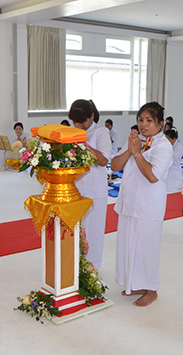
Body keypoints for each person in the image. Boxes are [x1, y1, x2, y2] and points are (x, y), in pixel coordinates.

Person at [111, 102, 173, 307]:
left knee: (146, 247)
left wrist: (137, 152)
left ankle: (151, 289)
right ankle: (135, 283)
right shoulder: (136, 140)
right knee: (129, 245)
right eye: (140, 120)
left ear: (161, 124)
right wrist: (131, 149)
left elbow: (152, 176)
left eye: (149, 120)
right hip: (130, 201)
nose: (143, 125)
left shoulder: (164, 146)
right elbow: (115, 165)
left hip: (148, 205)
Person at [69, 99, 111, 270]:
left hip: (95, 190)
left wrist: (82, 142)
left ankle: (92, 268)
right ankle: (74, 266)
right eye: (75, 121)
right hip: (75, 188)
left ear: (91, 116)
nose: (78, 125)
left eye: (82, 121)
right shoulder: (71, 131)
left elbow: (103, 160)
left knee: (93, 232)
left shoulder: (101, 132)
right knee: (75, 230)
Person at [164, 127, 183, 191]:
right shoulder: (166, 146)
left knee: (172, 186)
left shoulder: (178, 147)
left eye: (168, 140)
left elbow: (171, 158)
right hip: (166, 169)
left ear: (174, 139)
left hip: (175, 169)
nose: (166, 142)